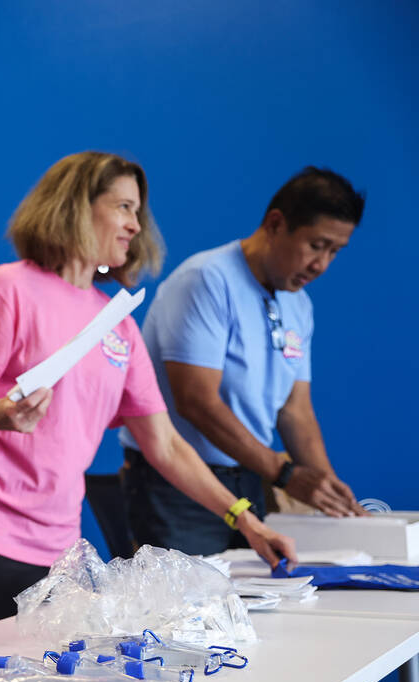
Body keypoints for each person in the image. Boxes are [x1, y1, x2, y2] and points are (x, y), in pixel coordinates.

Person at [0, 152, 295, 640]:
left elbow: (165, 445)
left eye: (137, 212)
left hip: (59, 548)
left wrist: (245, 520)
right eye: (123, 207)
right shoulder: (6, 289)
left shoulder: (115, 320)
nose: (135, 226)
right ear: (77, 207)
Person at [119, 167, 366, 557]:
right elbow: (197, 402)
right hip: (178, 486)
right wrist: (284, 473)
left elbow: (295, 410)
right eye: (317, 245)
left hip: (251, 479)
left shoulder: (298, 304)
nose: (322, 265)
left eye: (335, 251)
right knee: (186, 613)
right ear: (275, 224)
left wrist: (329, 492)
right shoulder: (206, 281)